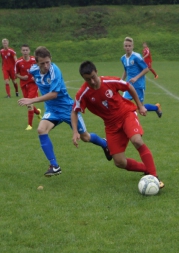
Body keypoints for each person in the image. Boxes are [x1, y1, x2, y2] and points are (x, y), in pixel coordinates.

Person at [18, 46, 112, 177]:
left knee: (85, 137)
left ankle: (104, 143)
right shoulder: (33, 69)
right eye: (42, 63)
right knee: (41, 130)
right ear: (36, 63)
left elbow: (54, 94)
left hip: (68, 109)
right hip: (52, 110)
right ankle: (54, 166)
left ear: (51, 59)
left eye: (47, 62)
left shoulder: (54, 71)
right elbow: (34, 78)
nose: (46, 66)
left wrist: (32, 99)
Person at [71, 60, 164, 189]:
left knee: (137, 140)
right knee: (119, 162)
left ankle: (154, 177)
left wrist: (140, 106)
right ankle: (147, 169)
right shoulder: (83, 93)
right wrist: (75, 131)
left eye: (93, 77)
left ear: (96, 72)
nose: (92, 82)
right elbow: (74, 111)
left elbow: (129, 87)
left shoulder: (110, 81)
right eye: (88, 79)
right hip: (111, 126)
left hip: (126, 114)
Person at [121, 37, 162, 118]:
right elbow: (126, 70)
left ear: (132, 46)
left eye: (129, 46)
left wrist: (136, 78)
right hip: (129, 85)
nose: (127, 47)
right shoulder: (123, 58)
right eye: (126, 46)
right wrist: (121, 81)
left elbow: (146, 69)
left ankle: (156, 107)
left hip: (139, 85)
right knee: (123, 103)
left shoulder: (137, 56)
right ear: (123, 47)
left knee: (141, 109)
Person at [15, 44, 42, 130]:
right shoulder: (18, 62)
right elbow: (15, 73)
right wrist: (22, 77)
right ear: (21, 51)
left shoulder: (35, 60)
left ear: (29, 51)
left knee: (29, 102)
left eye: (27, 50)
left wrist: (36, 76)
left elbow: (41, 69)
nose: (25, 52)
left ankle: (29, 125)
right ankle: (38, 112)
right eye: (23, 50)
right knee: (28, 103)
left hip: (33, 84)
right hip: (23, 85)